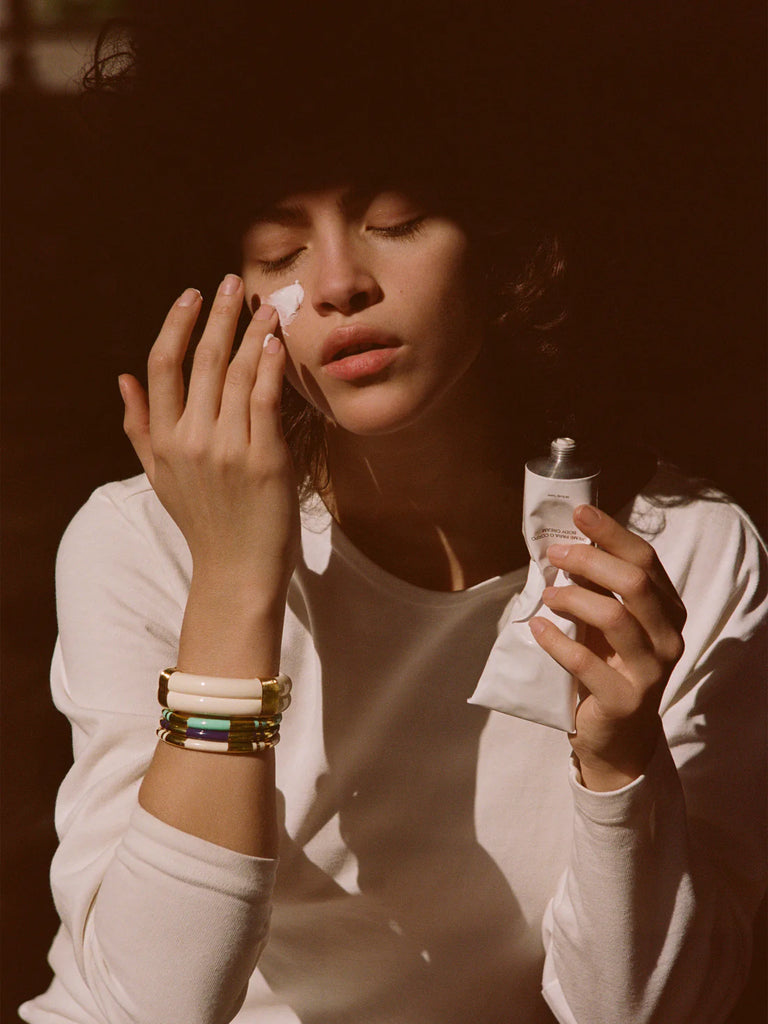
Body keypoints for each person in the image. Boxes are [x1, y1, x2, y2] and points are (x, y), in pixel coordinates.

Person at [20, 5, 767, 1023]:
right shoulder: (142, 541)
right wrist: (235, 591)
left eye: (397, 221)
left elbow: (652, 1007)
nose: (338, 284)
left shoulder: (679, 550)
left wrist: (622, 759)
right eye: (279, 249)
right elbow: (147, 1007)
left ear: (503, 240)